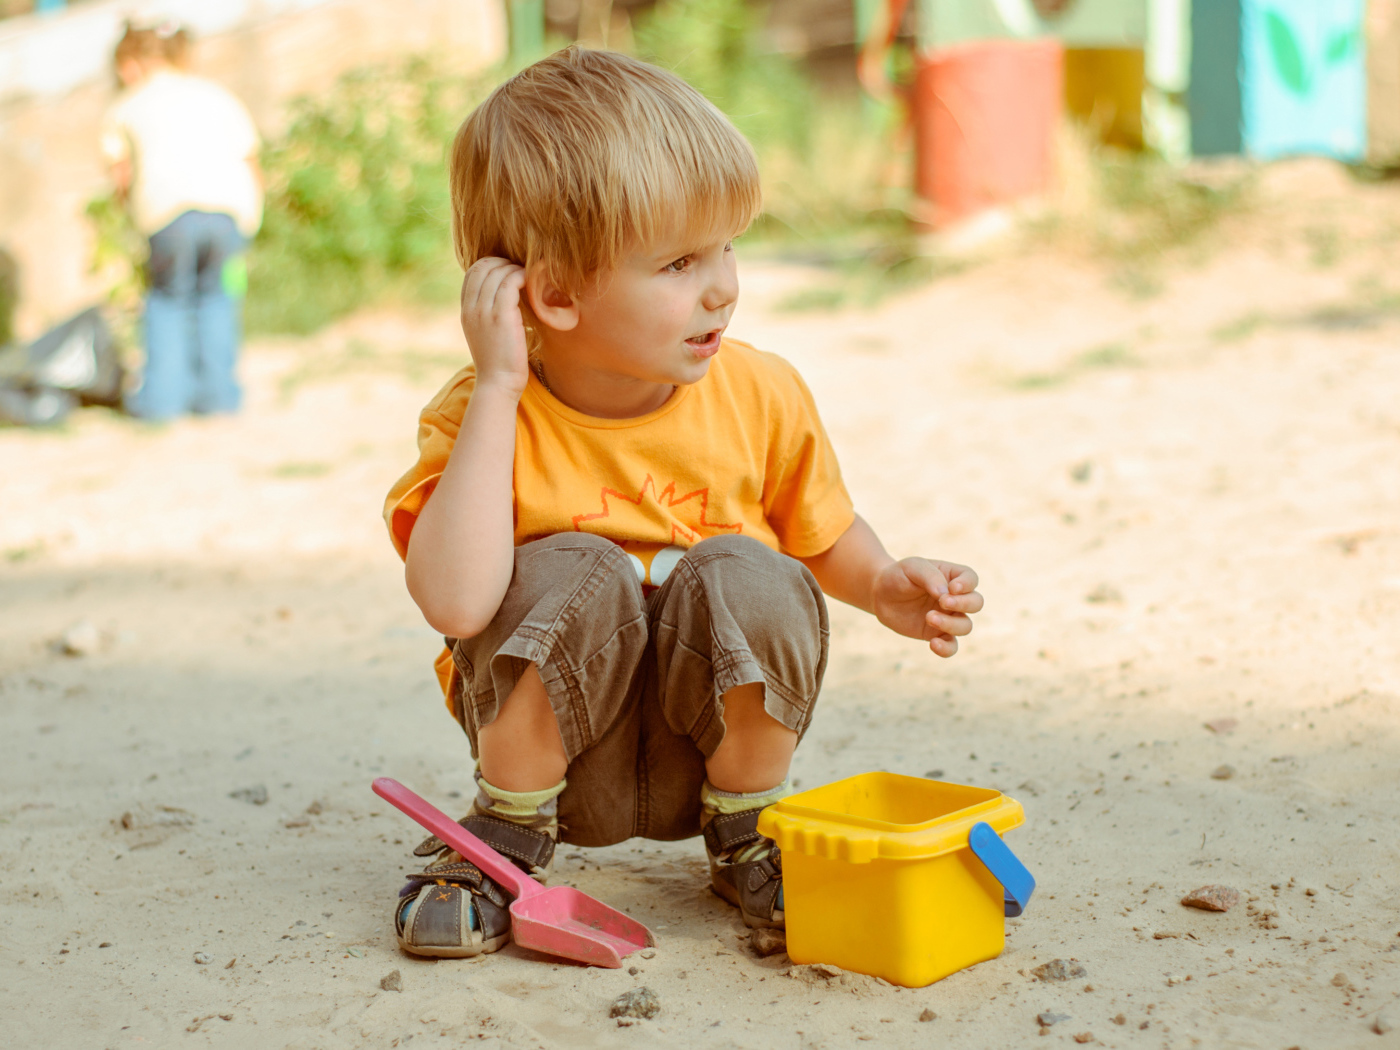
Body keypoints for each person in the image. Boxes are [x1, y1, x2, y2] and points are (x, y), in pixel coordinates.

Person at [382, 47, 984, 958]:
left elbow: (821, 534)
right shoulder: (479, 417)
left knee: (750, 568)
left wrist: (884, 582)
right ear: (553, 293)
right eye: (678, 263)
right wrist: (502, 383)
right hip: (557, 768)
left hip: (706, 759)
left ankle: (749, 833)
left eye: (728, 246)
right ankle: (501, 838)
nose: (724, 286)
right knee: (573, 564)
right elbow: (458, 604)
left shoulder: (762, 393)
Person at [100, 22, 262, 420]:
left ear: (131, 64)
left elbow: (120, 172)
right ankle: (220, 398)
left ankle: (162, 402)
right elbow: (250, 160)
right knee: (216, 298)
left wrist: (128, 215)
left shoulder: (128, 105)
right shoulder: (216, 95)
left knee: (167, 301)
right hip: (228, 215)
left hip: (168, 216)